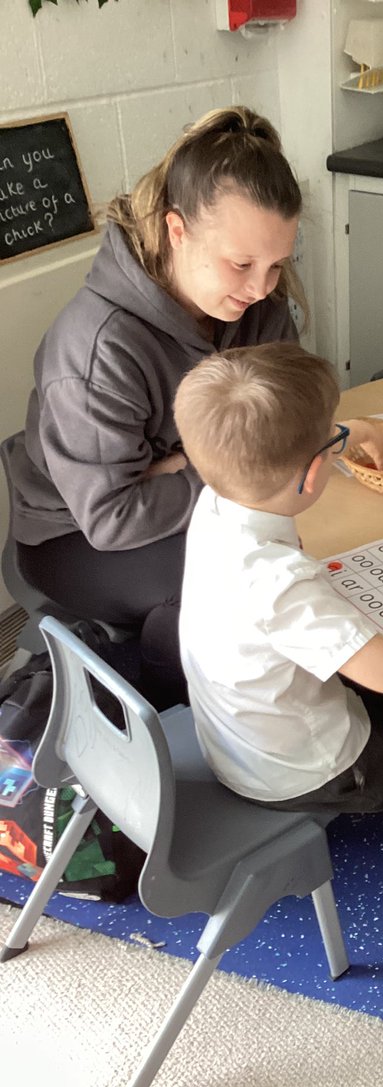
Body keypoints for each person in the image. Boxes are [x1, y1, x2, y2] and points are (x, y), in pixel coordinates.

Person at [9, 106, 305, 705]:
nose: (261, 289)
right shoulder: (100, 347)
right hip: (72, 537)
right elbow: (113, 516)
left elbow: (284, 421)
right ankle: (177, 710)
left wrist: (176, 467)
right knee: (224, 580)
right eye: (241, 264)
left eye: (276, 266)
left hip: (179, 498)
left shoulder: (257, 305)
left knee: (305, 542)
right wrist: (217, 469)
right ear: (177, 231)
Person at [173, 342, 383, 816]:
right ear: (312, 475)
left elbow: (289, 454)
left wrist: (358, 433)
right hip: (316, 769)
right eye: (331, 445)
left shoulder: (218, 496)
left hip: (242, 740)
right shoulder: (278, 583)